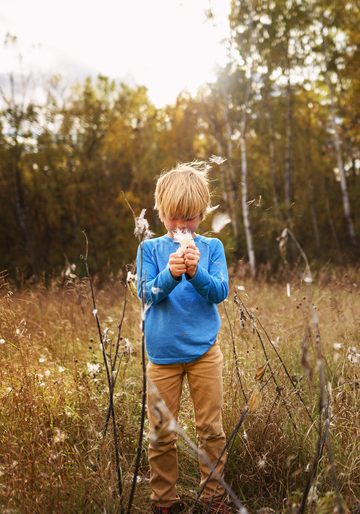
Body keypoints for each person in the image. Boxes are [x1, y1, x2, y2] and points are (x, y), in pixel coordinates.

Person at [136, 162, 231, 514]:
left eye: (189, 218)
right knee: (162, 433)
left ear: (202, 215)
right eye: (175, 218)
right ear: (161, 213)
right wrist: (172, 274)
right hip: (162, 356)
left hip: (205, 351)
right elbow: (146, 294)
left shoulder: (212, 248)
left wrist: (195, 271)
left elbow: (218, 291)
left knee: (210, 429)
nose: (181, 226)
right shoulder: (149, 250)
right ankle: (164, 503)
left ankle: (213, 499)